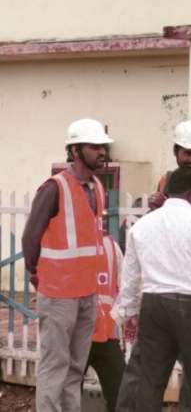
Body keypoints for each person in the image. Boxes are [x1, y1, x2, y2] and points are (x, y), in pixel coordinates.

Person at [114, 168, 191, 412]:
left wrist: (129, 311)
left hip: (154, 306)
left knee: (150, 380)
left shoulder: (142, 225)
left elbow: (130, 275)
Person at [22, 118, 112, 412]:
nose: (102, 152)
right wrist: (37, 273)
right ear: (75, 150)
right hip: (58, 294)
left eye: (103, 147)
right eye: (94, 146)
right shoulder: (54, 188)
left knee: (75, 368)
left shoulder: (97, 187)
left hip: (87, 293)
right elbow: (30, 238)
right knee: (55, 365)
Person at [86, 229, 125, 412]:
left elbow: (124, 287)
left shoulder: (112, 247)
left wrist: (117, 319)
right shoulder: (111, 247)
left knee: (120, 393)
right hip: (81, 337)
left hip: (104, 334)